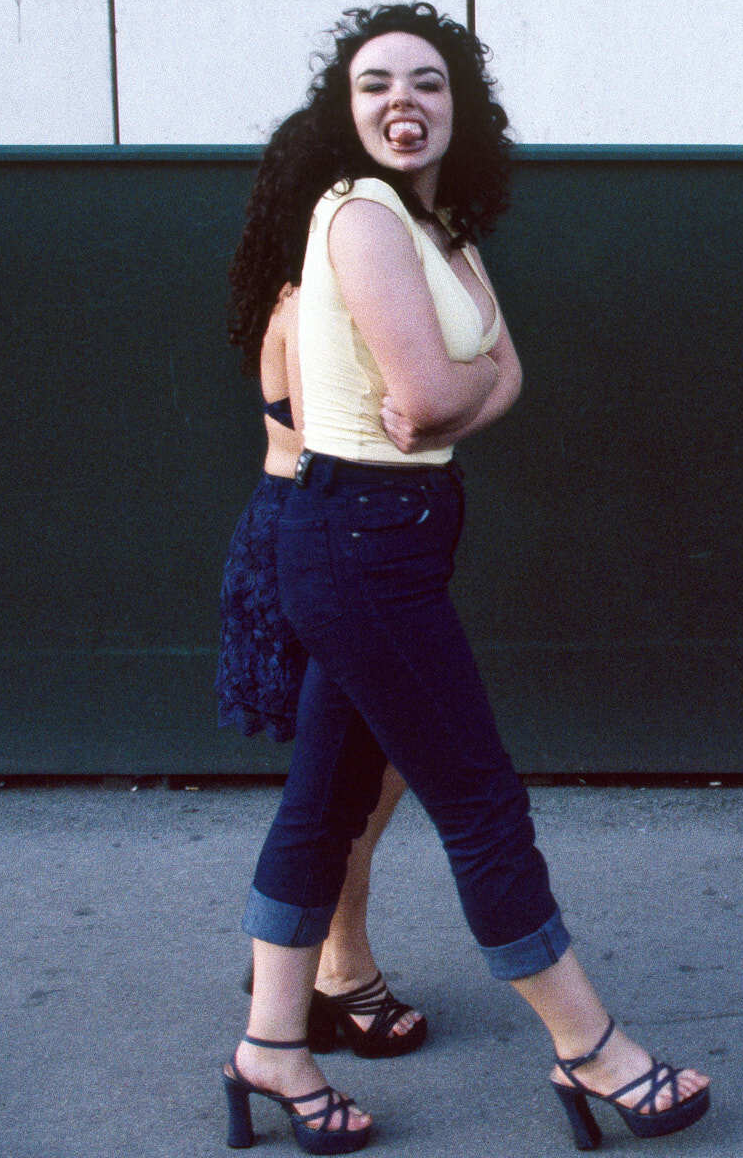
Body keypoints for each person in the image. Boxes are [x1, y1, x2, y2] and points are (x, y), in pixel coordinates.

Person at [220, 3, 709, 1155]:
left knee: (327, 800)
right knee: (479, 800)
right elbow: (440, 397)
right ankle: (592, 1048)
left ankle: (271, 1046)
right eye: (376, 82)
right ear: (346, 110)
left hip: (392, 533)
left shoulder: (439, 233)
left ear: (460, 106)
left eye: (428, 82)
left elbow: (495, 378)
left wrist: (463, 383)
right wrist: (461, 384)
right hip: (355, 538)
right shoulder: (359, 215)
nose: (403, 100)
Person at [218, 265, 425, 1060]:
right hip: (313, 541)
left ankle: (296, 947)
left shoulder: (308, 295)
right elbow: (331, 440)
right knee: (352, 774)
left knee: (365, 767)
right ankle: (338, 971)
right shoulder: (308, 303)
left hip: (317, 537)